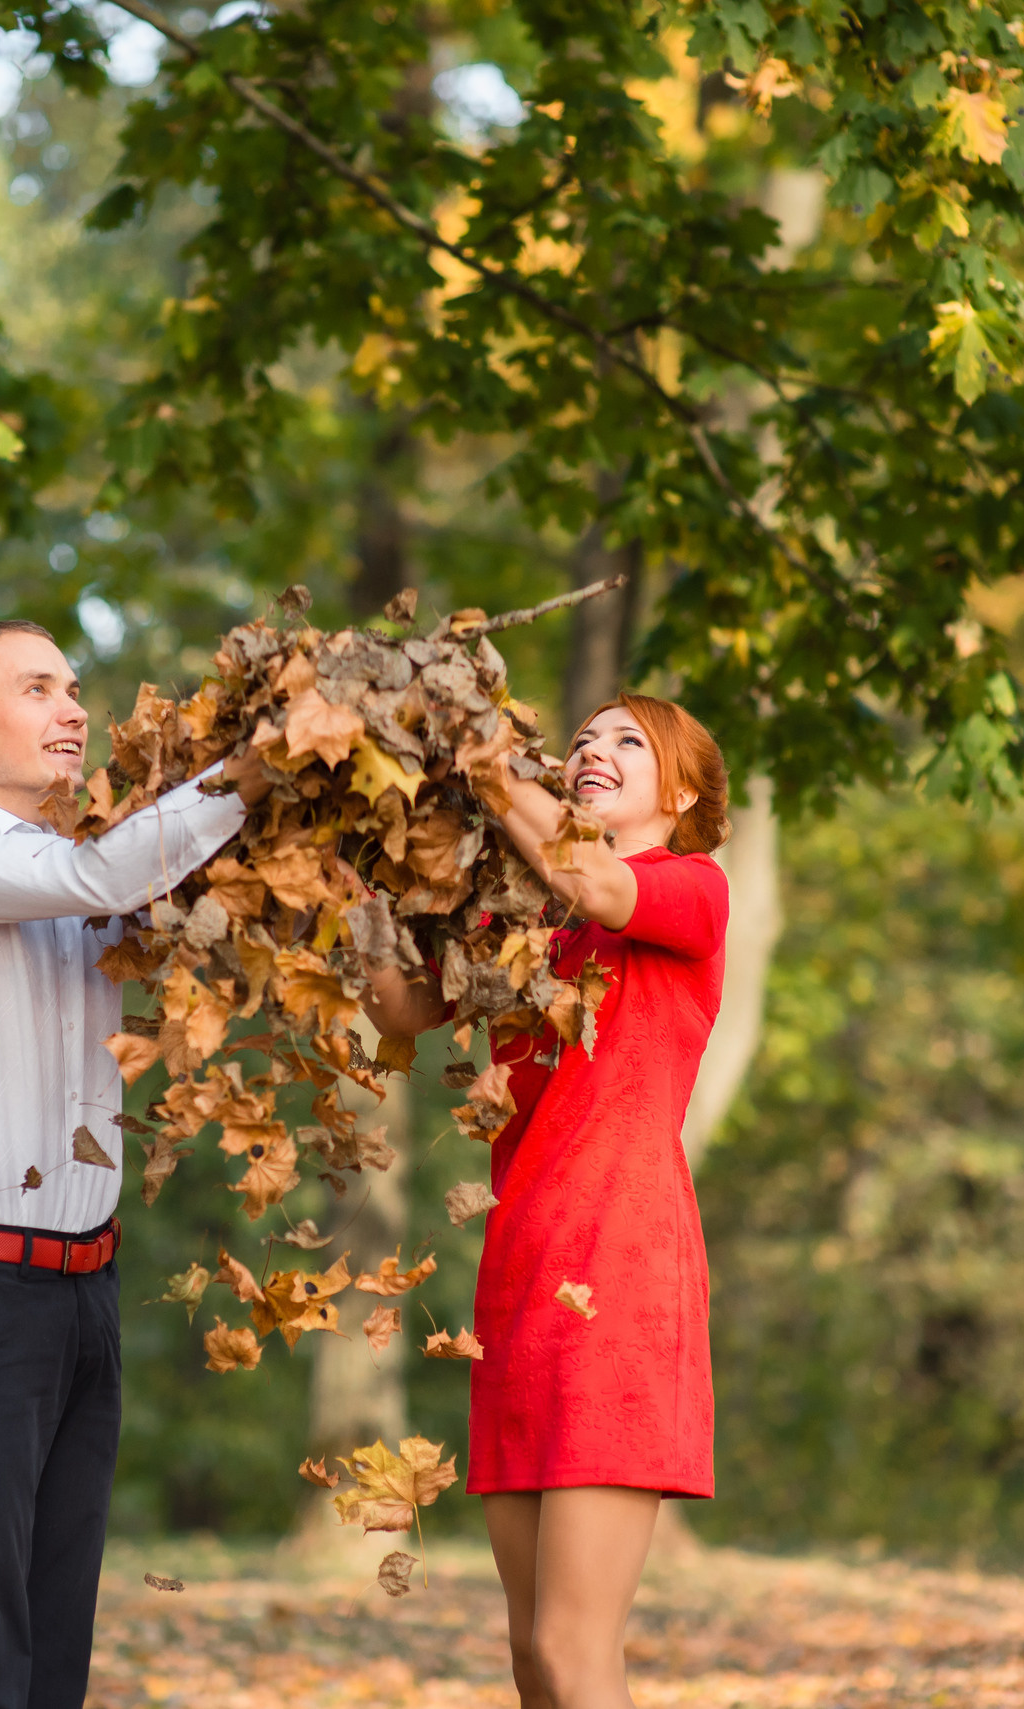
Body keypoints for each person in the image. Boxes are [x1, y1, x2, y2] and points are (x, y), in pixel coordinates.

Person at [0, 619, 270, 1709]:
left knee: (52, 1663)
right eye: (37, 688)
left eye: (74, 687)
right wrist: (271, 753)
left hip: (86, 1292)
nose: (75, 709)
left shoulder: (85, 879)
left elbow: (158, 885)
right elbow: (100, 869)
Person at [364, 692, 732, 1709]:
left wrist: (485, 769)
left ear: (684, 788)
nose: (592, 749)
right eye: (581, 738)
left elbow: (597, 881)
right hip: (520, 1272)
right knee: (532, 1656)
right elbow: (400, 1003)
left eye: (627, 741)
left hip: (620, 1270)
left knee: (575, 1649)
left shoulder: (687, 886)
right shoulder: (519, 915)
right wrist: (352, 873)